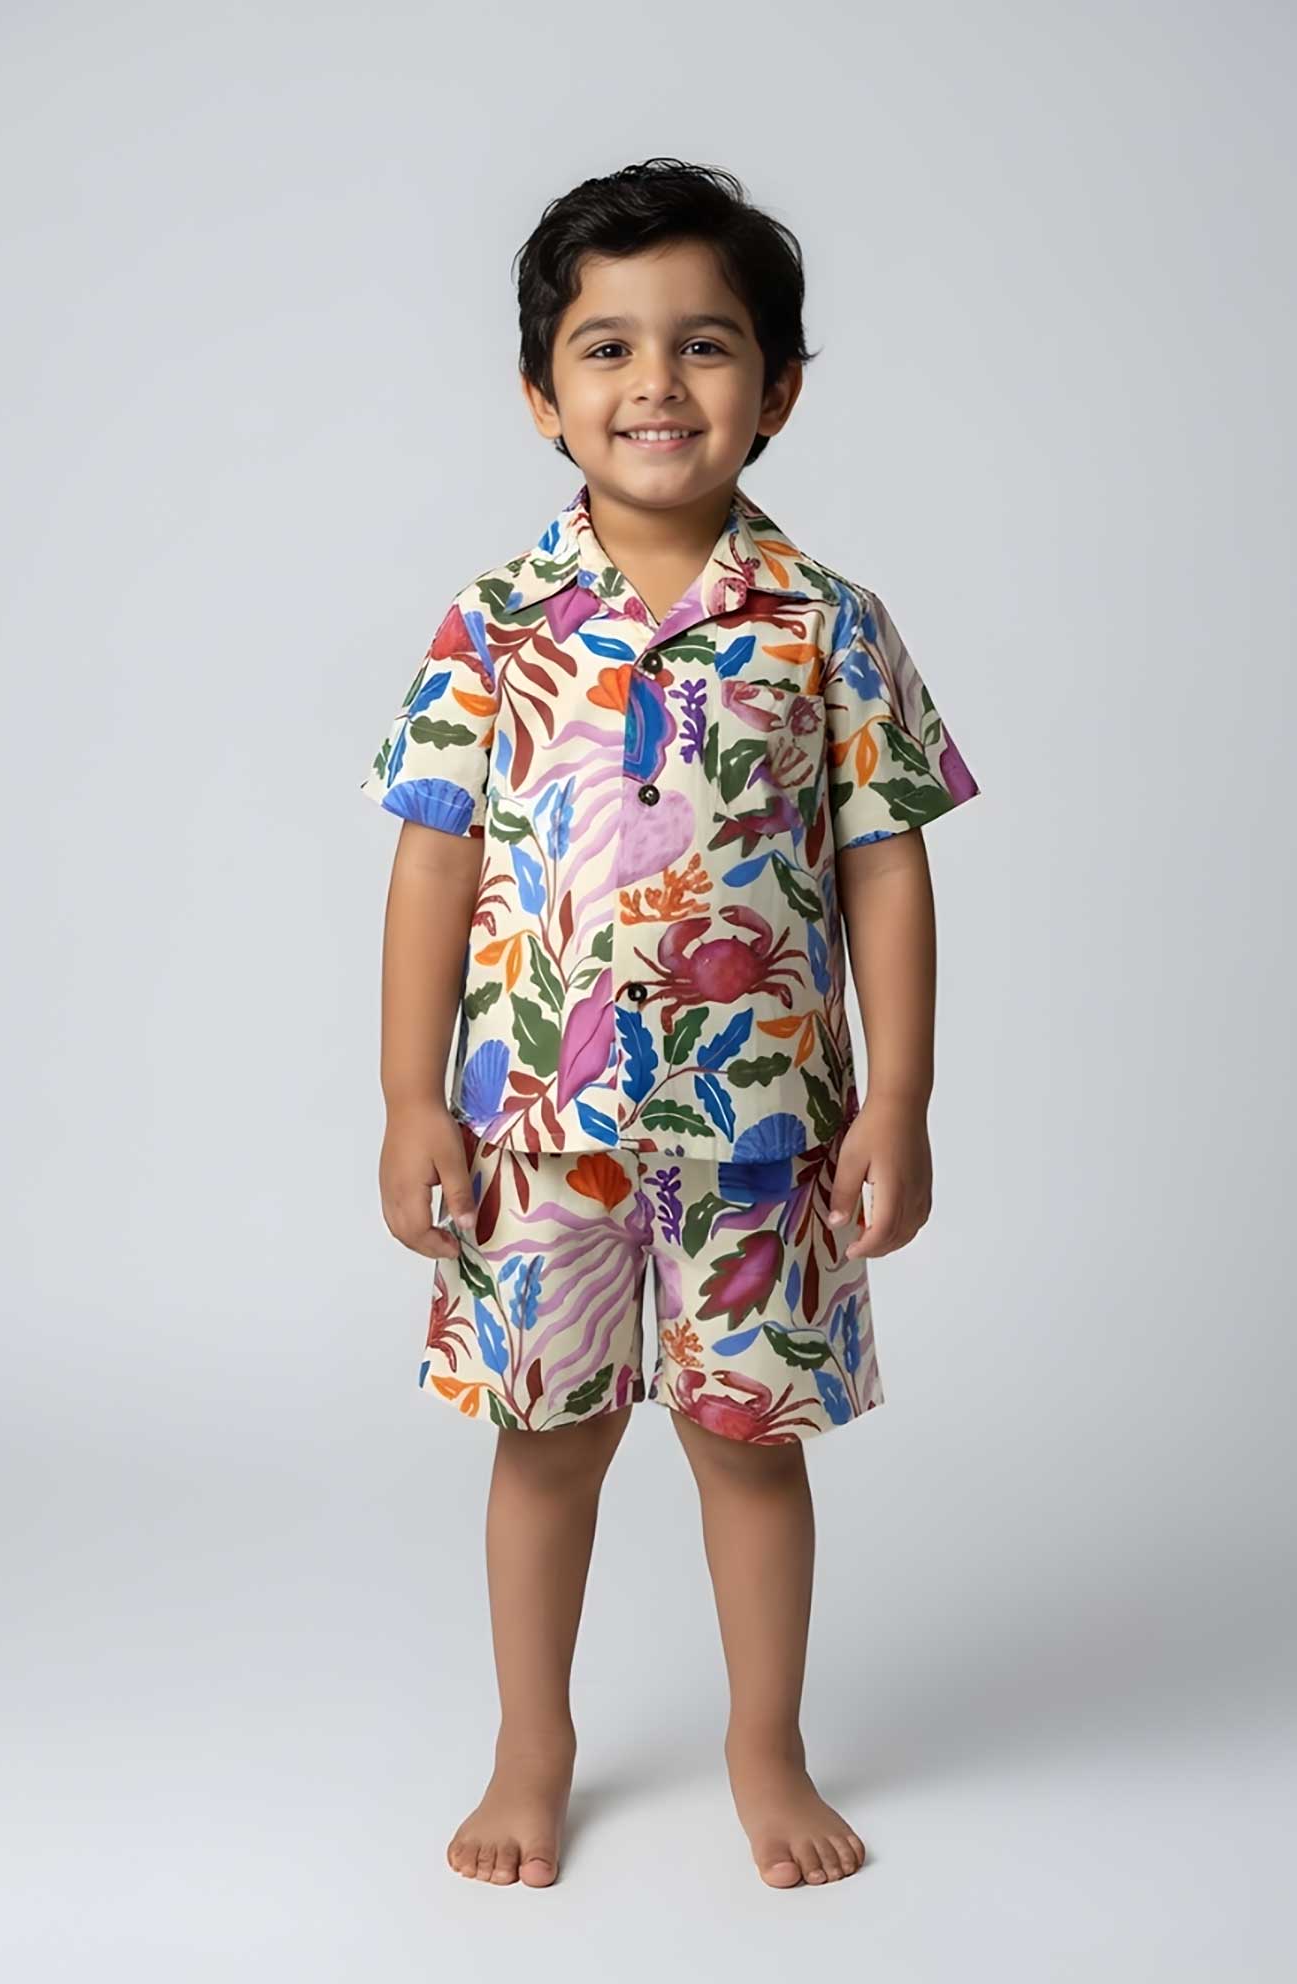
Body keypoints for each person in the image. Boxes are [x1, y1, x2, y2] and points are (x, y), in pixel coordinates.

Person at [359, 159, 981, 1892]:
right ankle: (532, 1747)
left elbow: (887, 869)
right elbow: (430, 863)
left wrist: (901, 1100)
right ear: (540, 394)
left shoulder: (831, 625)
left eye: (705, 345)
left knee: (748, 1447)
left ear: (777, 390)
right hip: (535, 1130)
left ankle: (765, 1748)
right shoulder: (493, 624)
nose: (656, 383)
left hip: (764, 1133)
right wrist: (411, 1098)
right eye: (608, 347)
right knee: (546, 1447)